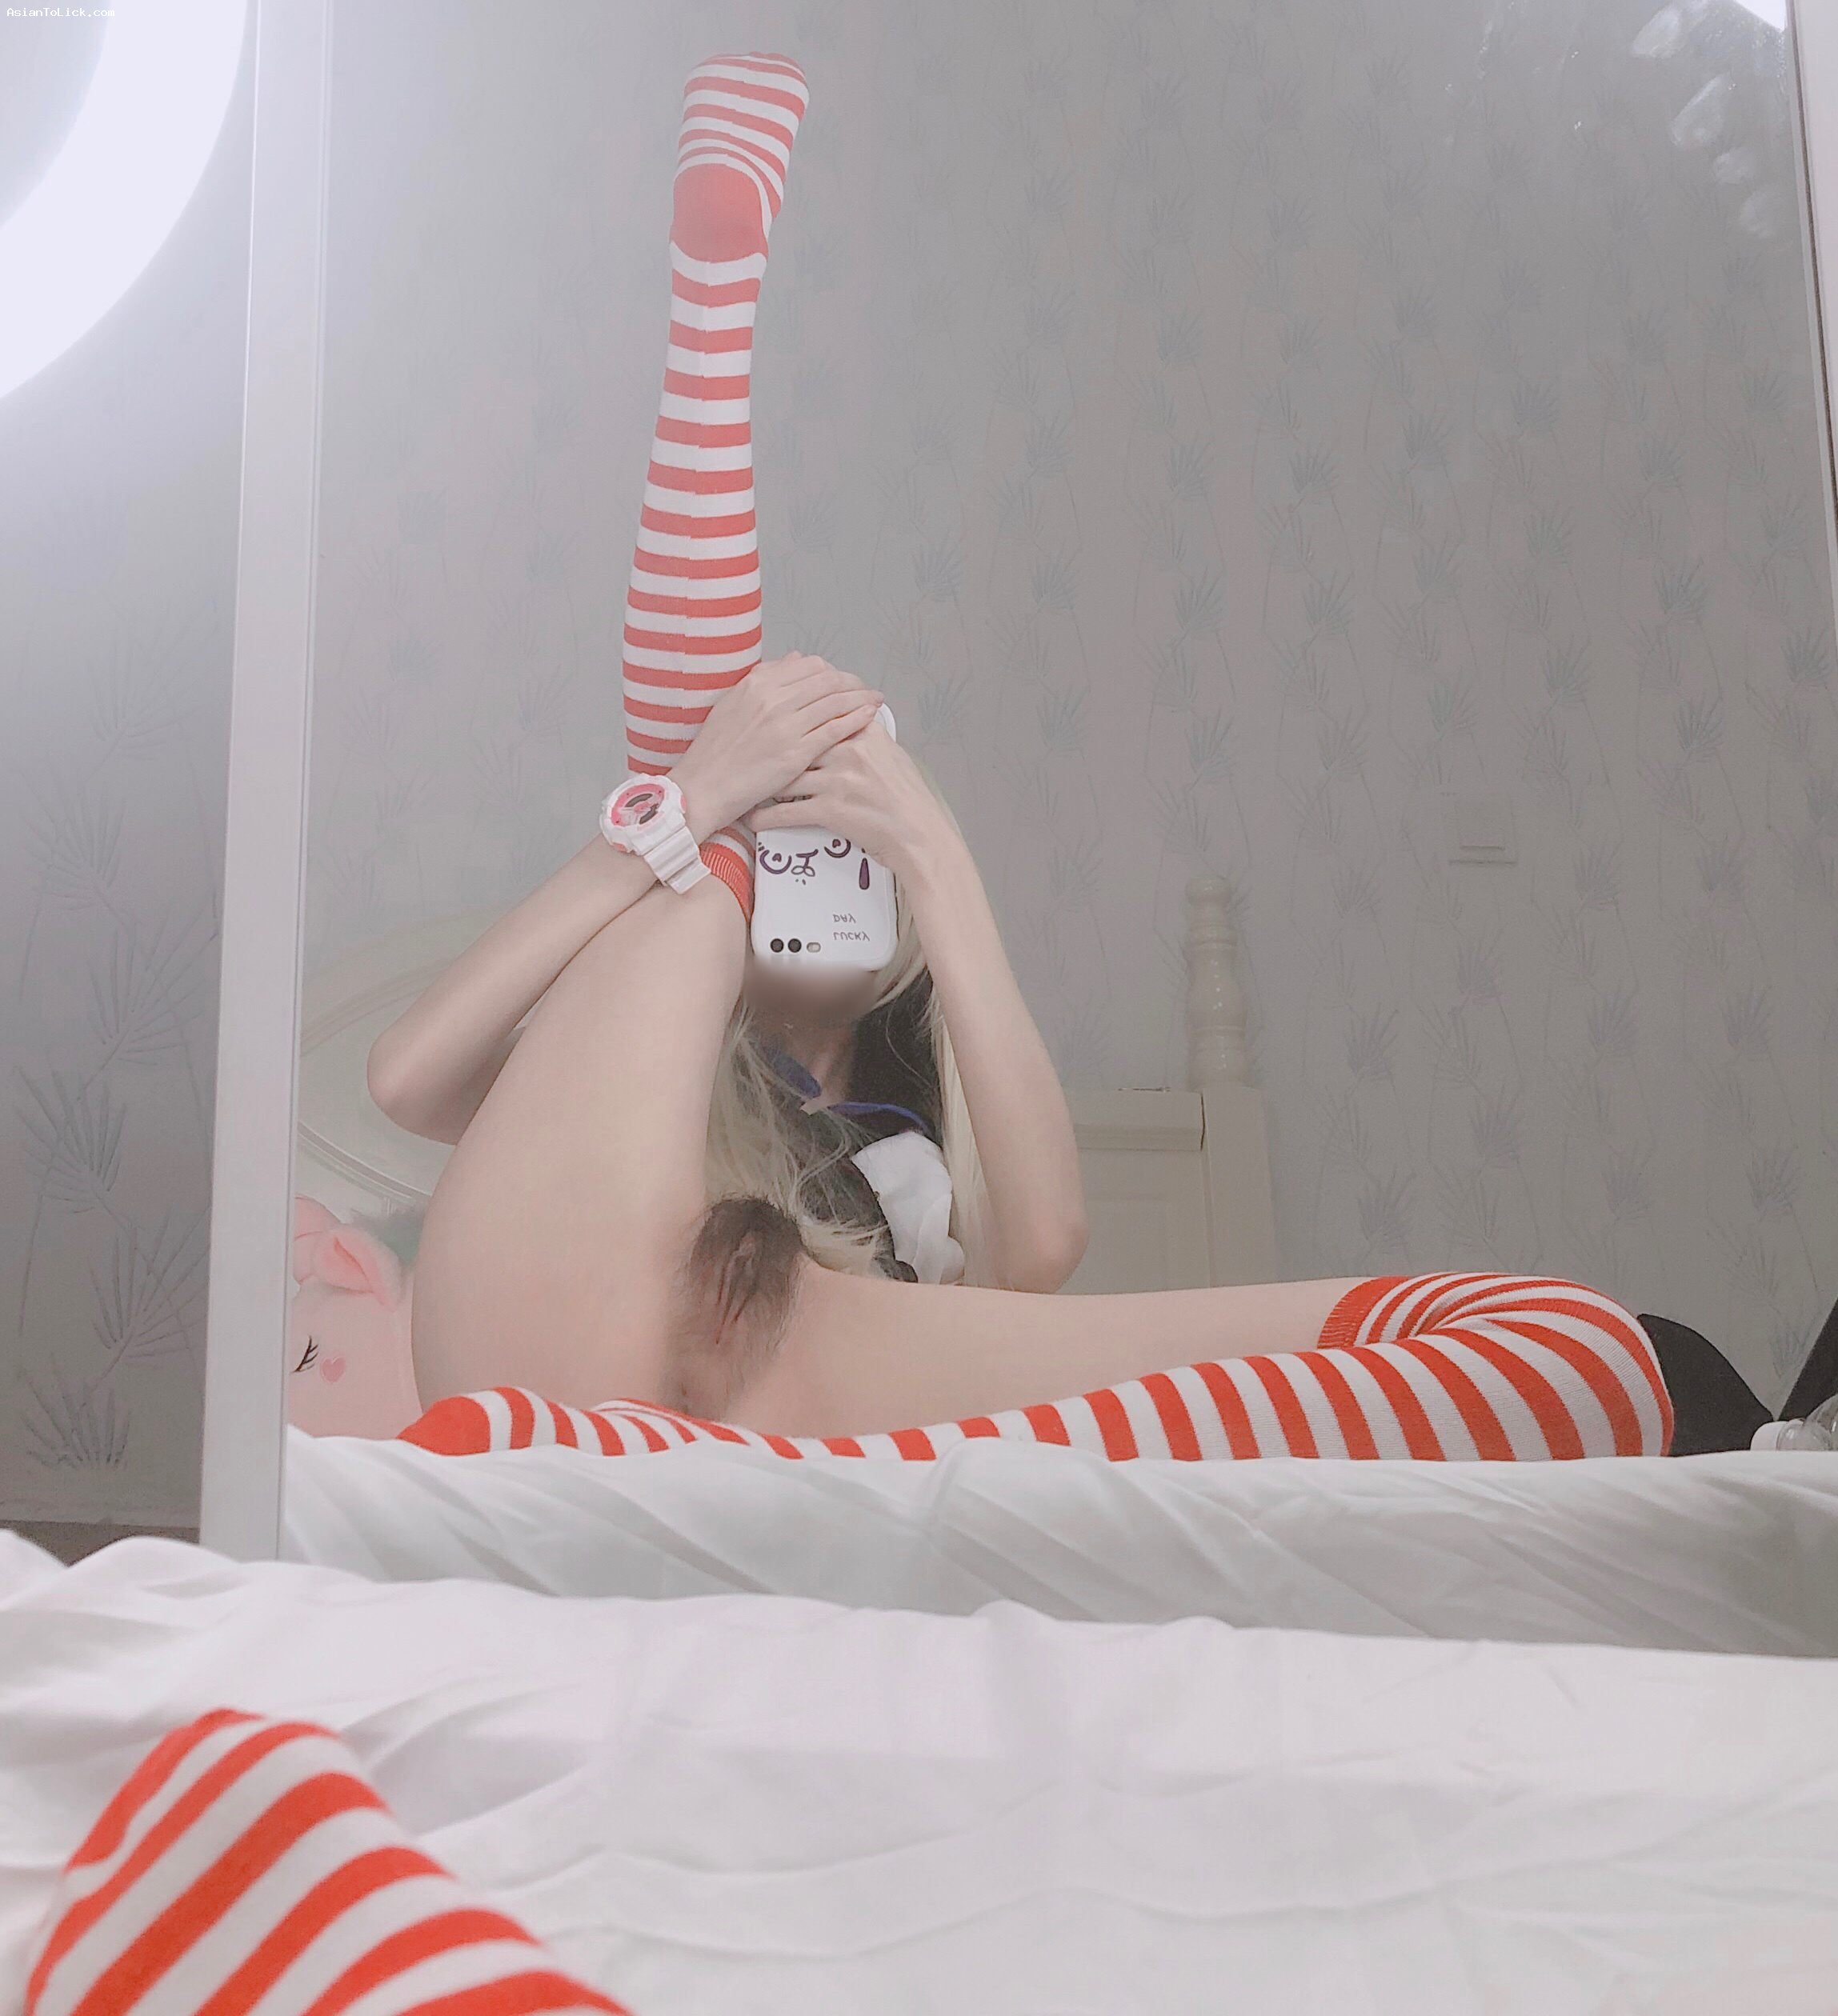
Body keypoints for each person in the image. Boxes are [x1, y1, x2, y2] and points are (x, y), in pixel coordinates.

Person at [362, 53, 1669, 1462]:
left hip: (820, 1402)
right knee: (685, 886)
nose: (807, 864)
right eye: (777, 842)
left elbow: (1039, 1246)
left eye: (842, 844)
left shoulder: (920, 1095)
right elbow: (406, 1081)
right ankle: (711, 324)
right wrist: (685, 811)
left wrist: (938, 859)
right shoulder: (633, 1066)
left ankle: (712, 340)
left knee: (1579, 1349)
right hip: (583, 1353)